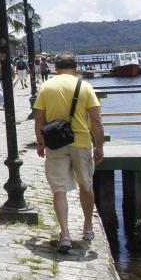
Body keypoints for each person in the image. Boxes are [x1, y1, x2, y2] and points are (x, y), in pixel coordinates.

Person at [33, 52, 104, 254]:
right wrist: (99, 146)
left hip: (55, 143)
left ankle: (64, 234)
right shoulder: (86, 87)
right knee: (86, 184)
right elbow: (97, 121)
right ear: (75, 67)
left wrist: (40, 142)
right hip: (81, 142)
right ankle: (88, 228)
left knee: (59, 189)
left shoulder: (46, 87)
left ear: (56, 68)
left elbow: (39, 120)